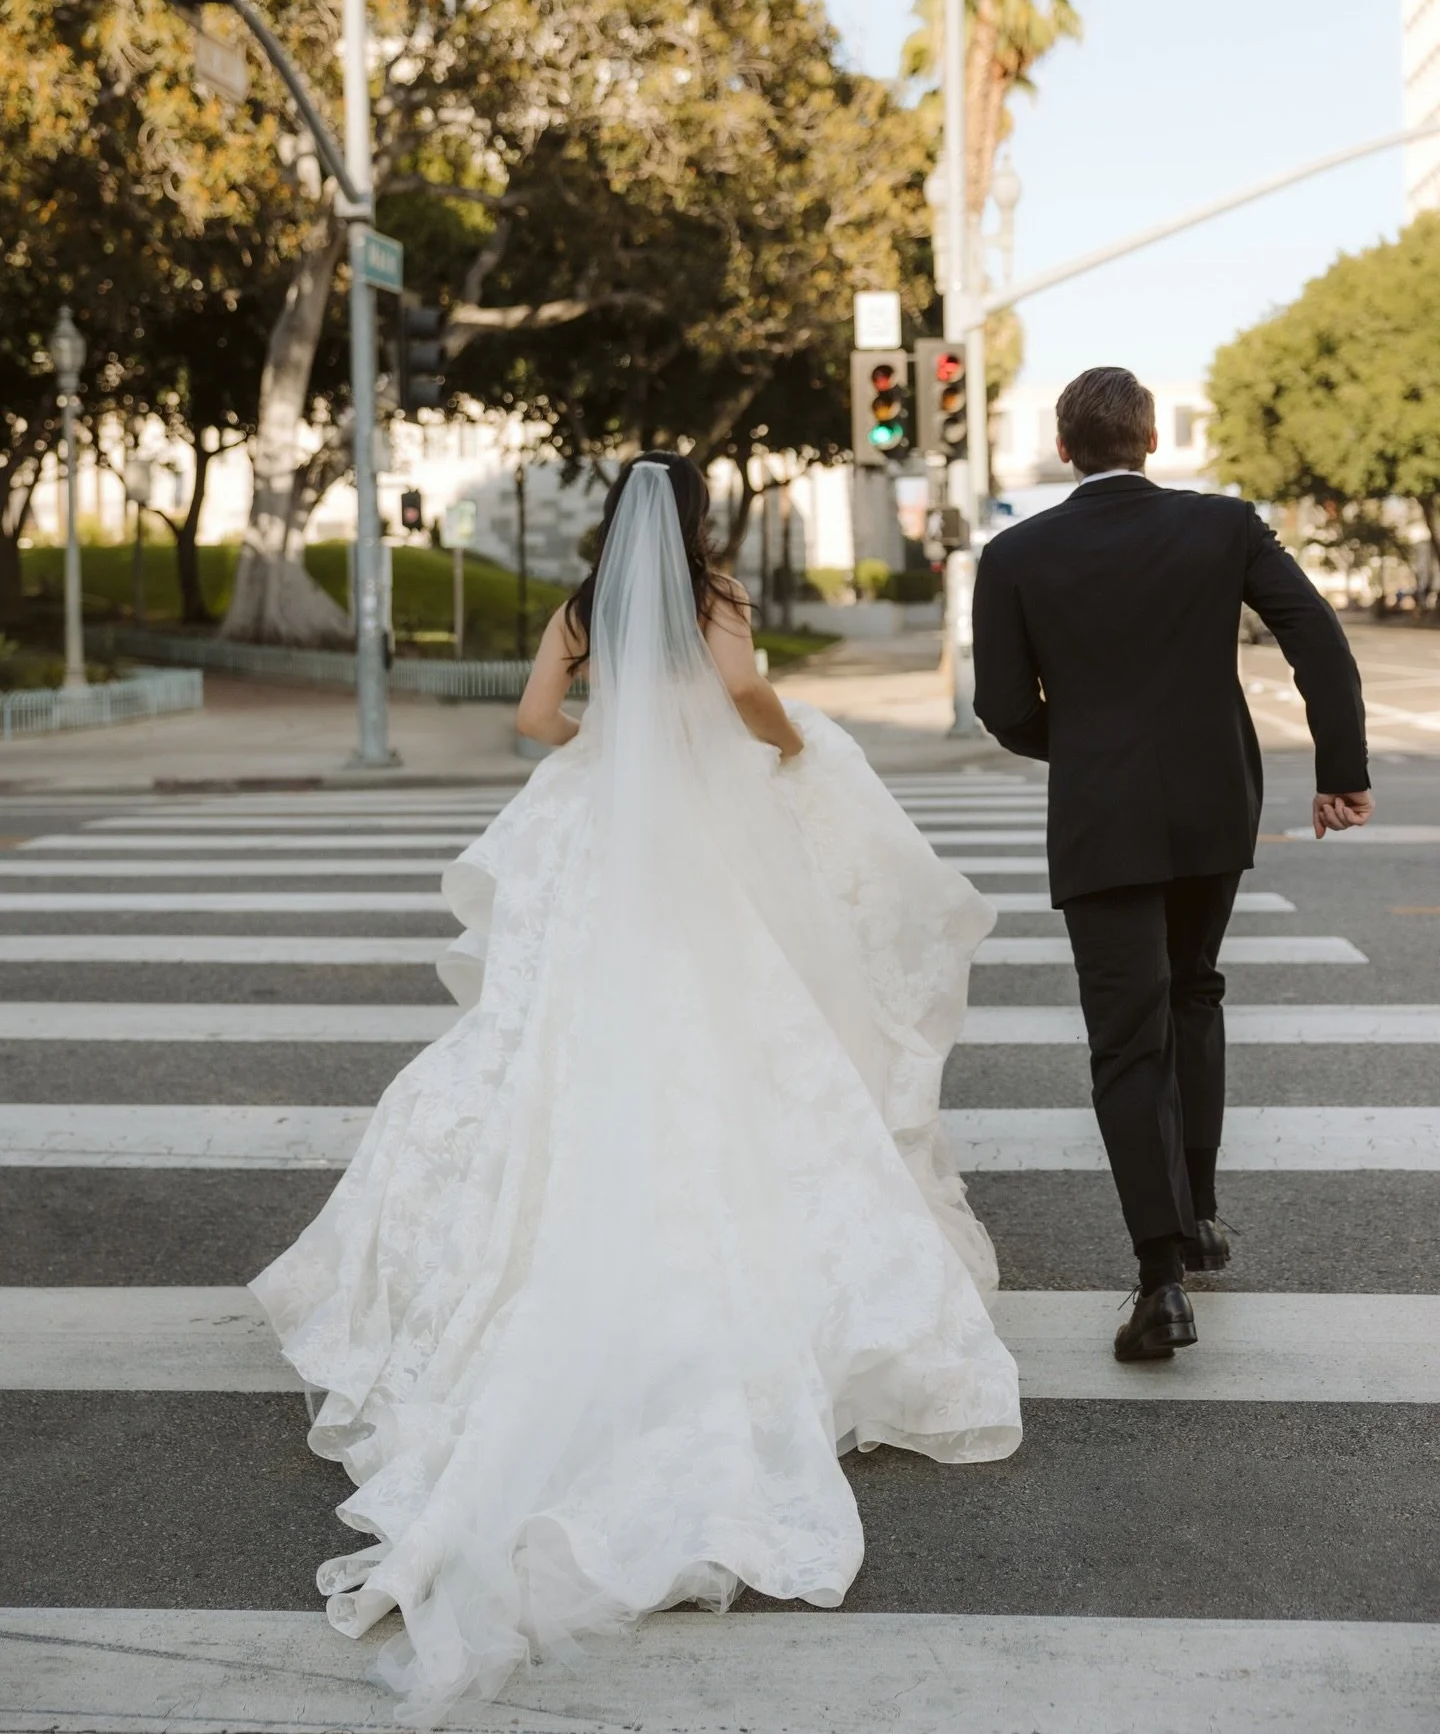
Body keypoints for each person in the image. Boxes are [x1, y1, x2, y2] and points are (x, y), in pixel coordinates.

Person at [252, 453, 1021, 1725]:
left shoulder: (581, 603)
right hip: (705, 835)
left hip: (600, 836)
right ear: (698, 522)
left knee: (553, 1033)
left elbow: (531, 721)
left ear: (613, 523)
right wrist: (776, 747)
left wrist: (610, 739)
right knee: (742, 1025)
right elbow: (748, 695)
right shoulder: (714, 597)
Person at [972, 366, 1371, 1364]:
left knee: (1125, 1041)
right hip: (1211, 804)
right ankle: (1197, 1212)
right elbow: (1314, 636)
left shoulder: (1016, 553)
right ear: (1150, 440)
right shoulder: (1225, 526)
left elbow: (1004, 708)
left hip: (1104, 815)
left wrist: (1096, 748)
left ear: (1065, 448)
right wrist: (1341, 768)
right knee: (1195, 991)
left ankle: (1161, 1276)